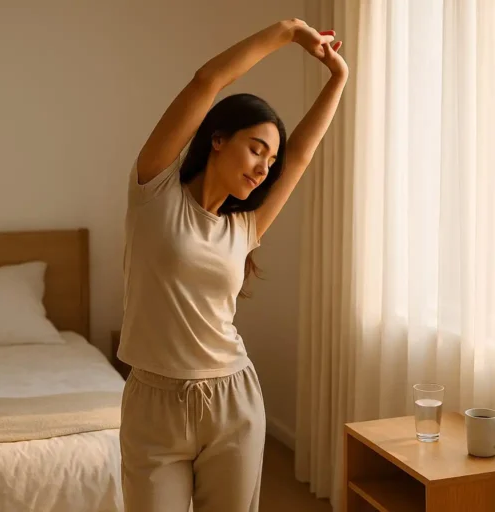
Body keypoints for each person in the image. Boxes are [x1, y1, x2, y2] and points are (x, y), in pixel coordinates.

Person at [117, 17, 348, 512]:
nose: (264, 168)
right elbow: (208, 80)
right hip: (152, 405)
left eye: (270, 161)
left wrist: (338, 79)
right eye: (256, 149)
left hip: (232, 401)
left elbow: (301, 155)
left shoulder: (245, 226)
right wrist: (288, 31)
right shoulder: (154, 190)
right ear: (218, 139)